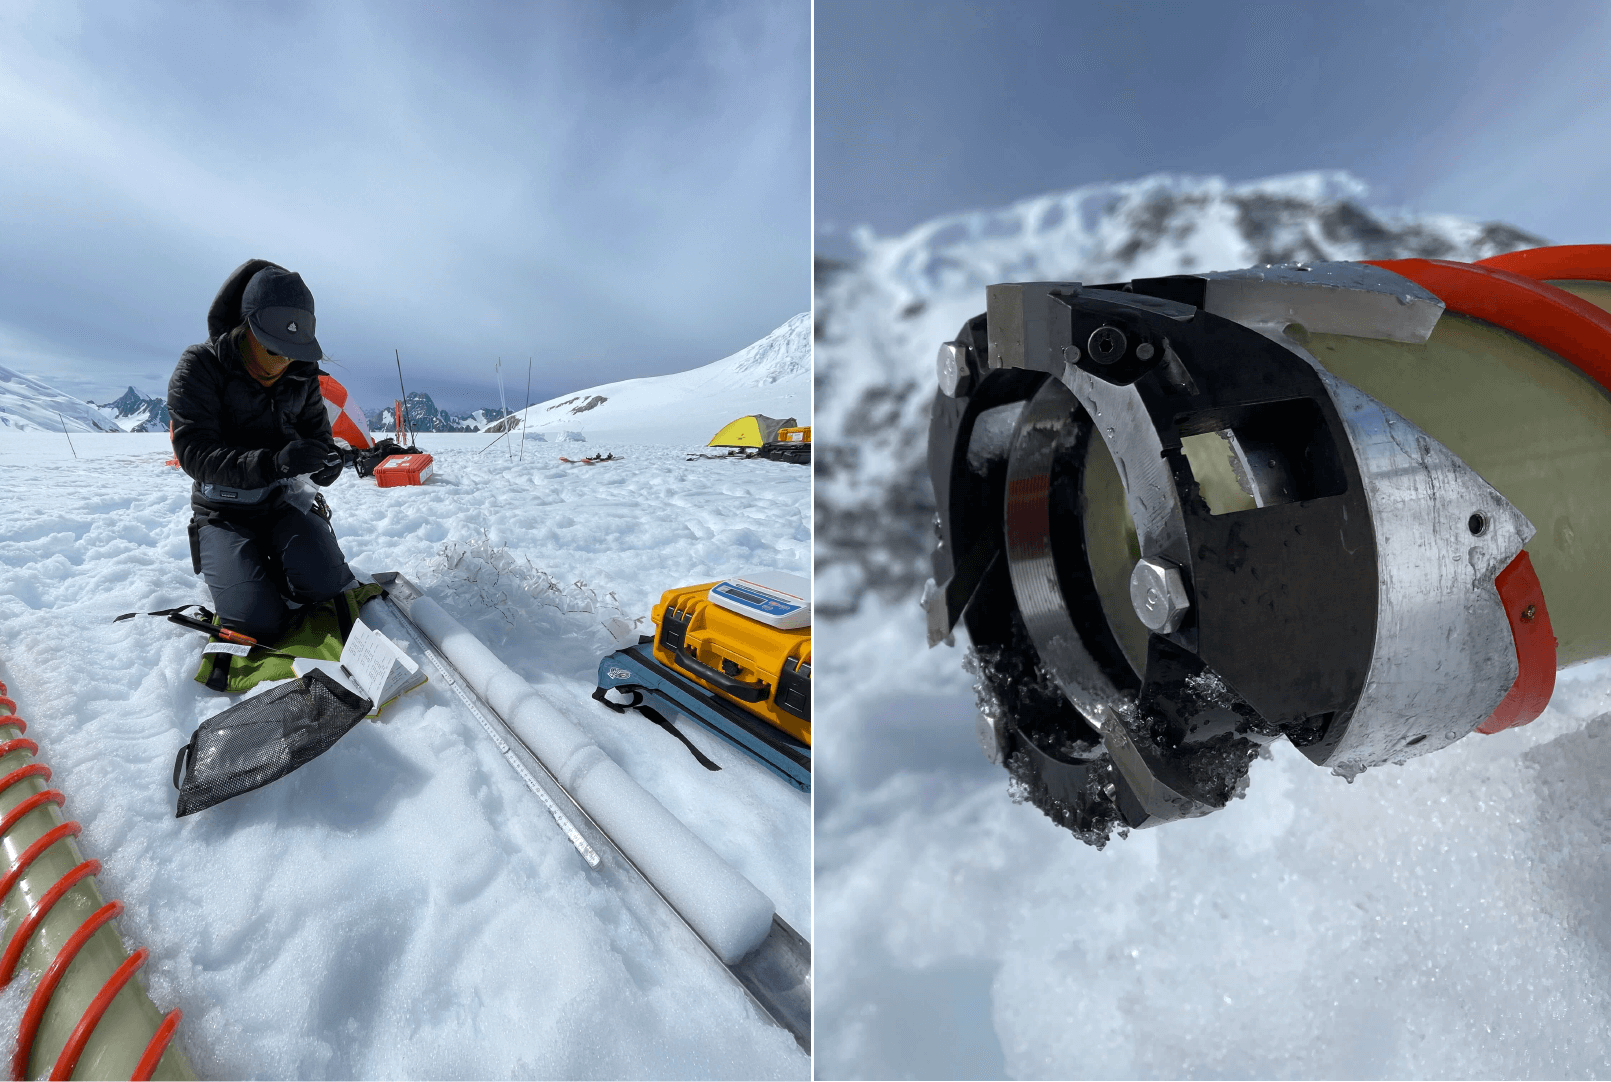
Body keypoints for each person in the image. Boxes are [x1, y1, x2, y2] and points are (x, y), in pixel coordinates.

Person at [168, 259, 355, 644]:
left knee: (328, 586)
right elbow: (195, 453)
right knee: (254, 624)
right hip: (222, 511)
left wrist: (327, 462)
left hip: (281, 503)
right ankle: (236, 563)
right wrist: (274, 463)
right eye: (273, 348)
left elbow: (319, 437)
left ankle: (274, 560)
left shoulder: (302, 373)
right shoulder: (200, 366)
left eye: (291, 351)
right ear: (246, 328)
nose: (282, 362)